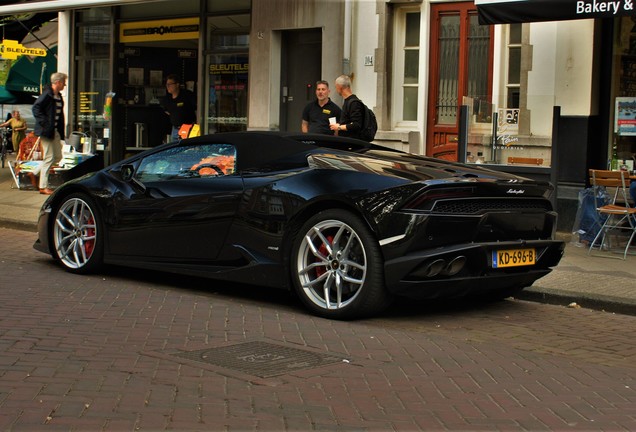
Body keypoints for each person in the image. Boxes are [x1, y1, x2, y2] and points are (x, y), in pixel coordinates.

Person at [32, 72, 67, 195]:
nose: (65, 85)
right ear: (58, 82)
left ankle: (35, 172)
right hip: (46, 131)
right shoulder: (47, 94)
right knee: (49, 157)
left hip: (55, 130)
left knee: (58, 157)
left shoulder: (58, 96)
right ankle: (43, 186)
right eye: (64, 82)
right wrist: (45, 123)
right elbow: (36, 108)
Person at [161, 74, 197, 141]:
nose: (168, 86)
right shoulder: (167, 99)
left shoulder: (187, 95)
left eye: (170, 84)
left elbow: (196, 108)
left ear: (177, 85)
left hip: (188, 127)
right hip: (175, 128)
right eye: (167, 85)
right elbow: (166, 111)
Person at [329, 74, 364, 140]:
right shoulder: (347, 102)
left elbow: (357, 125)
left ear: (339, 87)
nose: (336, 90)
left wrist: (339, 127)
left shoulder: (354, 103)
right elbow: (348, 122)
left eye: (336, 87)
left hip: (352, 143)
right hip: (346, 140)